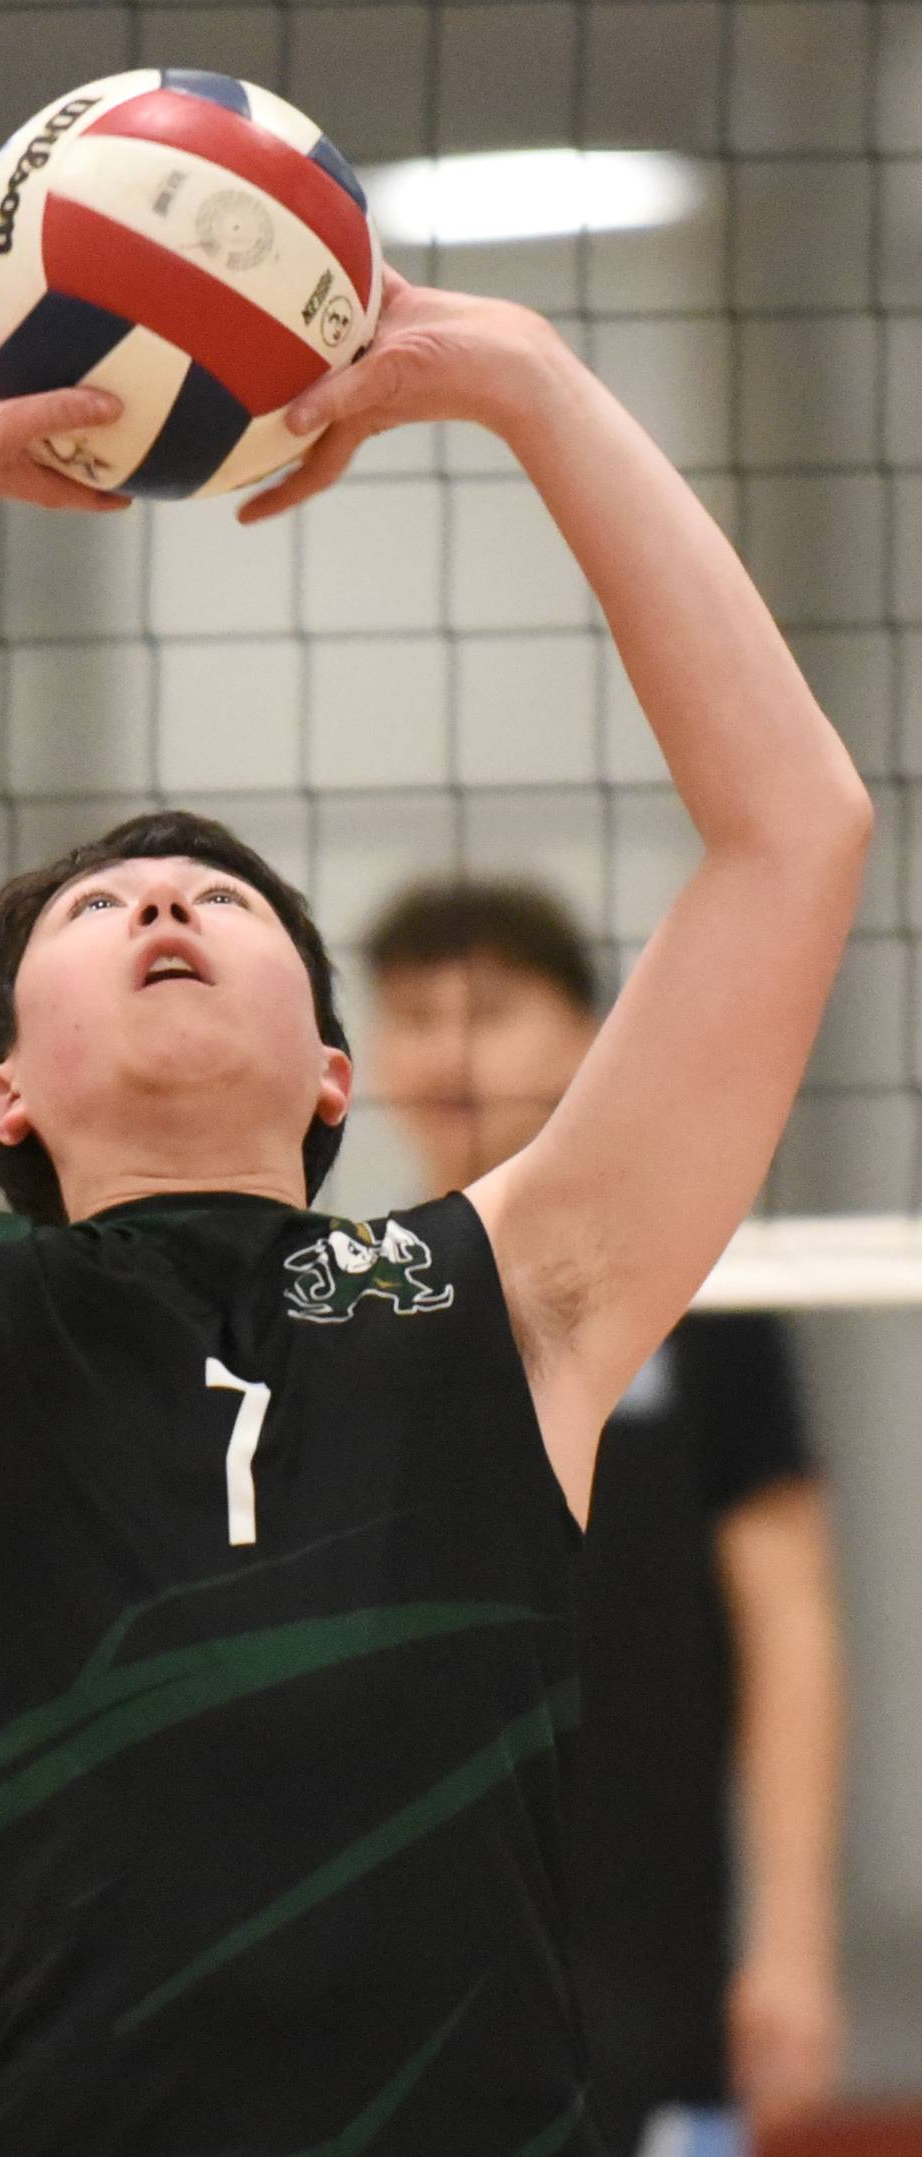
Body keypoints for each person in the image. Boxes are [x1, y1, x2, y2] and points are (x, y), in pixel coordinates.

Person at [0, 266, 871, 2154]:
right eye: (98, 908)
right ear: (3, 1093)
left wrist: (538, 386)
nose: (163, 900)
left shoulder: (510, 1295)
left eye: (223, 899)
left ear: (332, 1071)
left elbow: (796, 838)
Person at [364, 880, 848, 2157]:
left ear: (584, 1038)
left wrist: (794, 1940)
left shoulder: (703, 1285)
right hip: (412, 1958)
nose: (447, 1053)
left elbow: (789, 1620)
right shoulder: (345, 1307)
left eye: (488, 1012)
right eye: (413, 1015)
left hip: (653, 1951)